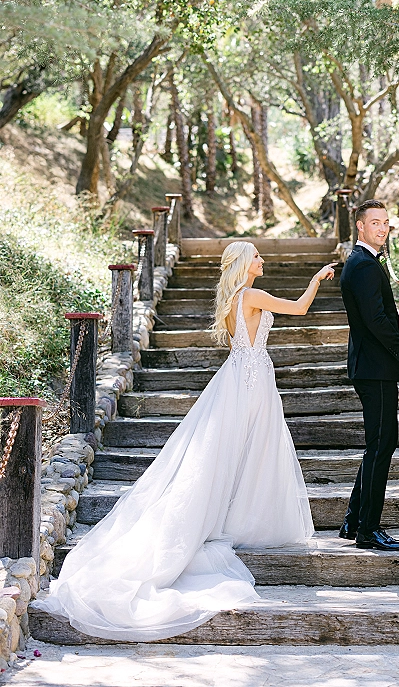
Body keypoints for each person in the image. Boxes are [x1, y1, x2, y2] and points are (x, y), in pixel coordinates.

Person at [36, 241, 336, 642]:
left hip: (239, 379)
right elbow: (299, 308)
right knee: (250, 451)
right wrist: (316, 279)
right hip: (253, 382)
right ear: (246, 264)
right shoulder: (253, 295)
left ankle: (229, 517)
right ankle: (234, 519)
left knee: (231, 453)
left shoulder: (232, 299)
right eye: (259, 257)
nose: (263, 261)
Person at [339, 200, 399, 551]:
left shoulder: (363, 263)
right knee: (382, 444)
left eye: (386, 222)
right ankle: (368, 531)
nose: (382, 228)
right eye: (375, 222)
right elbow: (376, 320)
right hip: (375, 369)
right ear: (360, 226)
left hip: (372, 367)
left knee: (377, 444)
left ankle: (354, 520)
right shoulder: (363, 266)